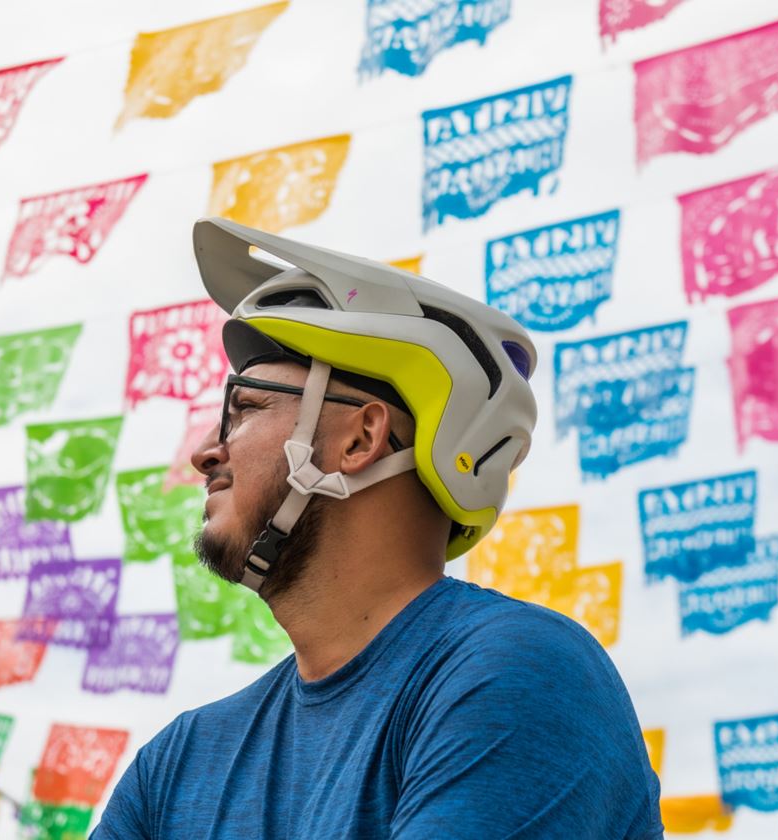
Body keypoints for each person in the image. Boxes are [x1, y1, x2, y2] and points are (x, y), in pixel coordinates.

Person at [92, 218, 663, 839]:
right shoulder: (177, 764)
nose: (205, 453)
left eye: (245, 409)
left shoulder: (517, 673)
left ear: (361, 438)